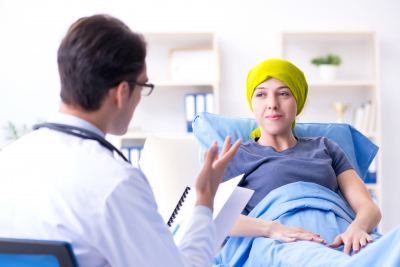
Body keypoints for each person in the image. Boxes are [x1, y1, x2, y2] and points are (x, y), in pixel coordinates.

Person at [0, 15, 241, 267]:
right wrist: (204, 200)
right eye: (143, 85)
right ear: (122, 92)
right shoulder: (116, 182)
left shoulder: (8, 160)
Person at [221, 59, 381, 256]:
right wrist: (273, 229)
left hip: (342, 237)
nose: (272, 104)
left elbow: (368, 207)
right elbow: (218, 217)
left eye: (283, 93)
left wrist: (358, 228)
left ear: (298, 101)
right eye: (261, 94)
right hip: (283, 244)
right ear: (252, 103)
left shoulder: (326, 147)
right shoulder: (238, 155)